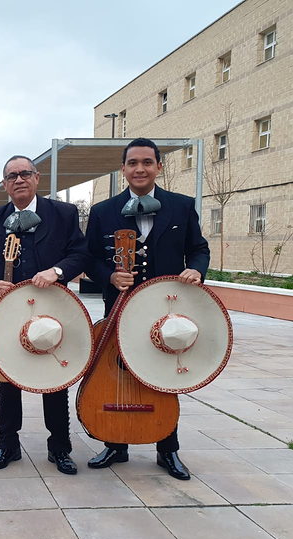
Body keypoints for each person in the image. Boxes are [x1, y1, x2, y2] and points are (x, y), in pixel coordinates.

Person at [84, 137, 210, 480]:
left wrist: (196, 269)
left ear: (158, 166)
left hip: (167, 309)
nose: (140, 169)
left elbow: (198, 249)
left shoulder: (182, 206)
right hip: (121, 306)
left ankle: (167, 450)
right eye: (133, 163)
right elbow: (90, 257)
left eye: (147, 162)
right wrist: (109, 276)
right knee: (119, 373)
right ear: (123, 169)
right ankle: (116, 443)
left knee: (162, 377)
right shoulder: (102, 211)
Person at [0, 155, 90, 474]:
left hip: (53, 310)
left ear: (37, 178)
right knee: (7, 379)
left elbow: (81, 254)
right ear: (4, 184)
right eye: (12, 176)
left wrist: (56, 271)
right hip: (8, 312)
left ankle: (60, 448)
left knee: (54, 379)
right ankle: (7, 445)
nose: (19, 179)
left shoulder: (63, 213)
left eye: (25, 173)